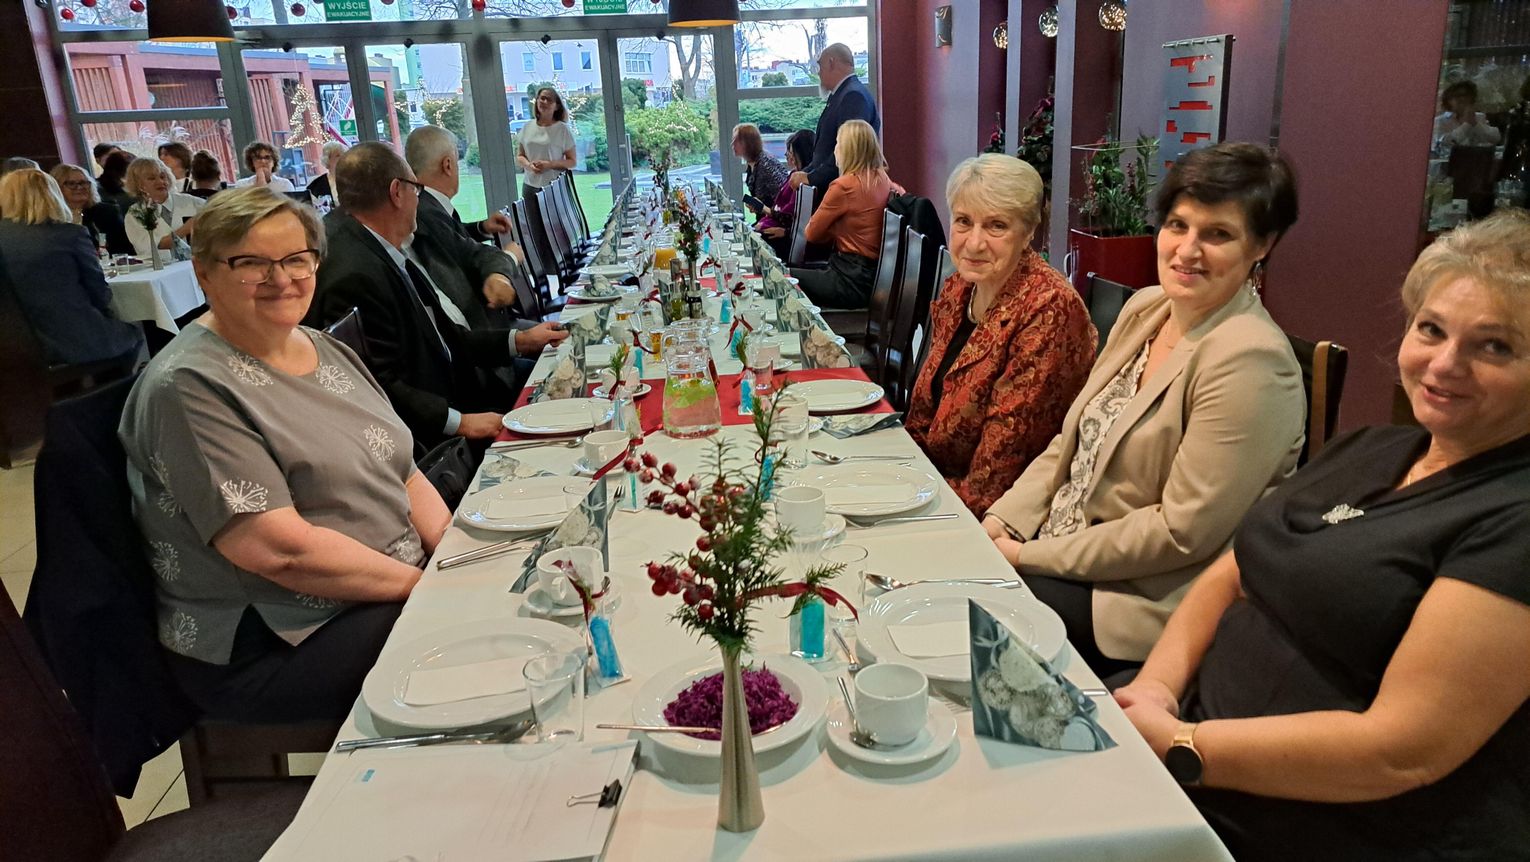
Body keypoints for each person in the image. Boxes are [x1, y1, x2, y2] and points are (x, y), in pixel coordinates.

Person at [1114, 209, 1530, 861]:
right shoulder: (1374, 447)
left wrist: (1181, 747)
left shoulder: (1514, 516)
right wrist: (1157, 690)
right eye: (1431, 329)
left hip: (1318, 827)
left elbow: (1400, 752)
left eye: (1495, 346)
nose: (1446, 363)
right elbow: (1233, 570)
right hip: (1185, 749)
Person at [117, 187, 450, 723]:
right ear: (203, 273)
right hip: (278, 637)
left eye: (297, 259)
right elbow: (280, 552)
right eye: (251, 263)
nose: (281, 279)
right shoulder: (188, 387)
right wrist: (431, 589)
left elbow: (403, 469)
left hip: (380, 587)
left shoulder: (323, 346)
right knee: (473, 642)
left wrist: (453, 555)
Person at [983, 142, 1306, 676]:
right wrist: (1003, 522)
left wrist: (1025, 558)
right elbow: (1073, 443)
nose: (1187, 250)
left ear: (1262, 245)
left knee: (965, 626)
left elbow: (1179, 532)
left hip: (1138, 600)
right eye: (1178, 225)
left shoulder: (1251, 361)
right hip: (1061, 554)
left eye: (1217, 234)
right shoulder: (1147, 308)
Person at [305, 142, 566, 449]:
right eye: (416, 189)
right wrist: (460, 422)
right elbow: (378, 385)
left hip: (452, 396)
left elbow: (441, 335)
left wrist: (520, 341)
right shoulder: (355, 272)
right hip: (432, 437)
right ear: (397, 192)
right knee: (562, 402)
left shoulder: (375, 243)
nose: (419, 199)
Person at [906, 155, 1095, 516]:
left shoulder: (1049, 308)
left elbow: (995, 480)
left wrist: (909, 499)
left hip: (1001, 517)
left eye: (996, 226)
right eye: (964, 221)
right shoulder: (959, 288)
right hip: (936, 487)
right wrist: (898, 472)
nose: (974, 243)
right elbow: (921, 418)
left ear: (1028, 232)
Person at [0, 169, 144, 365]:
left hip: (15, 349)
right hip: (72, 340)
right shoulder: (70, 234)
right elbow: (100, 294)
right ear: (52, 194)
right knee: (134, 333)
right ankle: (119, 384)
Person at [790, 119, 900, 309]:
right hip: (874, 280)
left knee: (783, 277)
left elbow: (811, 234)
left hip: (849, 279)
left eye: (838, 143)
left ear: (847, 149)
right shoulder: (886, 181)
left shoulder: (844, 186)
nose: (835, 150)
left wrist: (835, 228)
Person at [789, 43, 880, 191]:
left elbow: (849, 152)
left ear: (831, 63)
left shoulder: (853, 96)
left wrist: (811, 178)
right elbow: (824, 152)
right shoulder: (842, 95)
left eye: (820, 66)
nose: (818, 73)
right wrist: (806, 173)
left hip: (845, 192)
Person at [406, 125, 513, 245]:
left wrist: (482, 228)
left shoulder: (423, 204)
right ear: (447, 165)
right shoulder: (428, 214)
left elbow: (450, 236)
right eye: (456, 162)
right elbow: (462, 251)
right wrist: (511, 254)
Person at [123, 157, 205, 260]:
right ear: (139, 185)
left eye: (162, 176)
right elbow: (154, 247)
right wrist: (187, 227)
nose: (160, 182)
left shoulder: (192, 202)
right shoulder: (135, 214)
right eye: (152, 178)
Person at [49, 162, 134, 256]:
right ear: (56, 187)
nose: (80, 187)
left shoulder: (107, 212)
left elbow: (124, 250)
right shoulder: (51, 217)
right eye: (71, 184)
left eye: (83, 183)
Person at [756, 129, 814, 258]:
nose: (789, 156)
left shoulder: (803, 181)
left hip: (791, 239)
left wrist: (787, 232)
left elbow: (791, 216)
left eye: (791, 153)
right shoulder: (794, 176)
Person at [516, 87, 576, 198]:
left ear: (557, 106)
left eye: (549, 99)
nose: (544, 102)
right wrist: (529, 166)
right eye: (542, 98)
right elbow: (520, 156)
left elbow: (572, 161)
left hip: (554, 186)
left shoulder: (562, 129)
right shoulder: (527, 127)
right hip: (530, 185)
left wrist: (549, 165)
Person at [733, 123, 789, 217]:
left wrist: (762, 208)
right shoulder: (752, 164)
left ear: (748, 143)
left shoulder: (766, 166)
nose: (733, 144)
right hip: (765, 220)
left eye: (737, 141)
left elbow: (784, 209)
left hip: (774, 222)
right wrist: (757, 206)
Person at [1433, 80, 1502, 152]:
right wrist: (1467, 125)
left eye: (1466, 95)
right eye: (1457, 96)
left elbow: (1495, 138)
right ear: (1449, 100)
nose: (1462, 99)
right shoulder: (1440, 121)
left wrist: (1475, 124)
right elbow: (1443, 144)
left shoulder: (1479, 116)